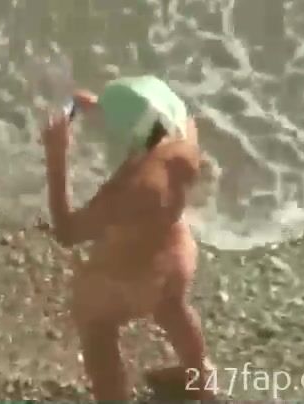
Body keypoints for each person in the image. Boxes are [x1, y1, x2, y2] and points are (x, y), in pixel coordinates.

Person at [40, 78, 215, 400]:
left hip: (134, 275)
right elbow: (151, 119)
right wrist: (98, 105)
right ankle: (200, 377)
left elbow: (67, 231)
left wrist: (56, 157)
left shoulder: (131, 188)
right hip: (177, 255)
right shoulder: (184, 136)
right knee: (172, 307)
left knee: (98, 328)